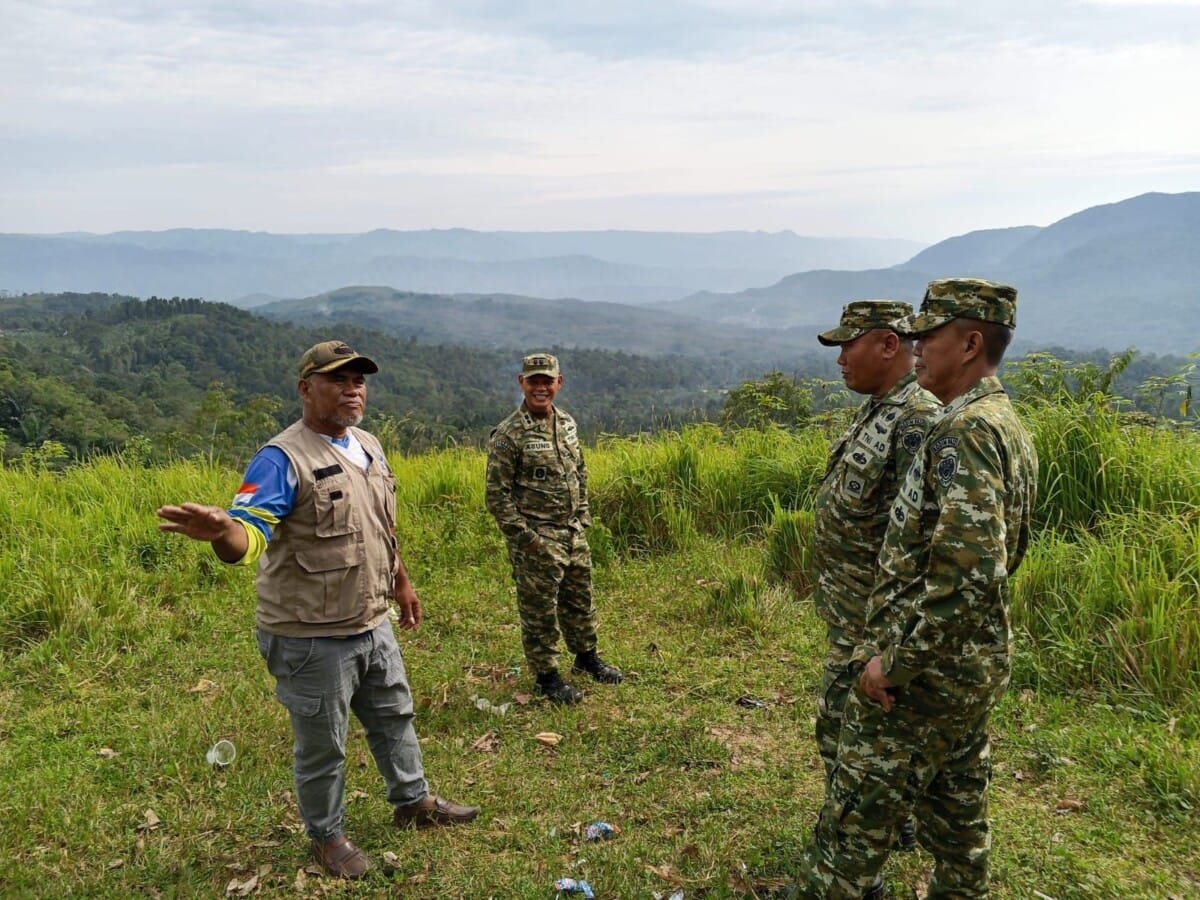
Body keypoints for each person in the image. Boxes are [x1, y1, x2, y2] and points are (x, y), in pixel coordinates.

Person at [157, 339, 478, 880]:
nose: (353, 388)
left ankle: (412, 801)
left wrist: (401, 582)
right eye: (338, 379)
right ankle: (328, 838)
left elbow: (381, 527)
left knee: (394, 716)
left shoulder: (369, 445)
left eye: (359, 380)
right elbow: (251, 535)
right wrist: (223, 534)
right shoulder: (282, 459)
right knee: (323, 744)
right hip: (311, 635)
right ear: (306, 389)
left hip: (371, 620)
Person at [788, 279, 1038, 898]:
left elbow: (971, 571)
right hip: (969, 661)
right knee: (957, 818)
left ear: (972, 343)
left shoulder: (965, 432)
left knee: (854, 813)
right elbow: (997, 553)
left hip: (926, 670)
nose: (917, 345)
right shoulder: (998, 422)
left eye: (930, 334)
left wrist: (893, 665)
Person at [811, 300, 939, 868]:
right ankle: (891, 826)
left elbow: (925, 541)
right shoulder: (878, 407)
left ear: (889, 345)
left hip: (875, 626)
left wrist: (890, 643)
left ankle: (859, 865)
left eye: (848, 344)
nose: (840, 358)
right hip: (852, 615)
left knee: (850, 745)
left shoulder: (916, 419)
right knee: (844, 738)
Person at [485, 352, 622, 704]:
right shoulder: (510, 434)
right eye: (534, 381)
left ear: (559, 383)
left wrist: (583, 517)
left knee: (580, 600)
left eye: (548, 380)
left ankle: (586, 658)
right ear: (522, 383)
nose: (541, 387)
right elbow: (497, 497)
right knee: (539, 611)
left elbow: (580, 471)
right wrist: (529, 541)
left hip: (572, 533)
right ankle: (547, 677)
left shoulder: (567, 424)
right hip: (537, 539)